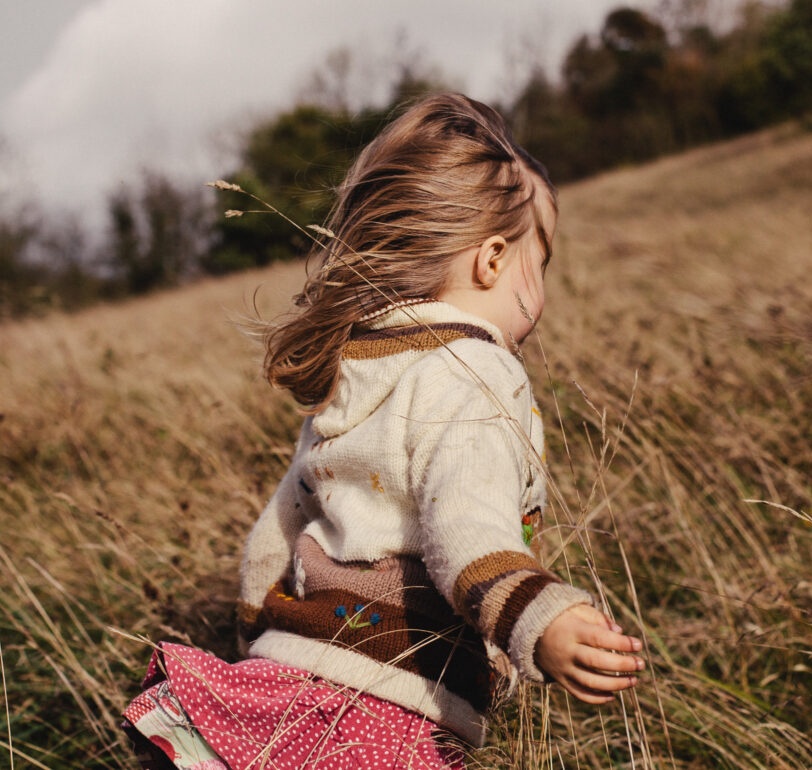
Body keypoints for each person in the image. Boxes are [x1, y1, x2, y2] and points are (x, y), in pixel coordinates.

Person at [121, 93, 644, 769]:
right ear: (490, 261)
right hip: (387, 707)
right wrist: (542, 622)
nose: (540, 297)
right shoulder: (476, 372)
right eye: (537, 266)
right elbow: (468, 533)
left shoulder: (358, 368)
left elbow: (270, 541)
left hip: (286, 680)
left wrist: (260, 647)